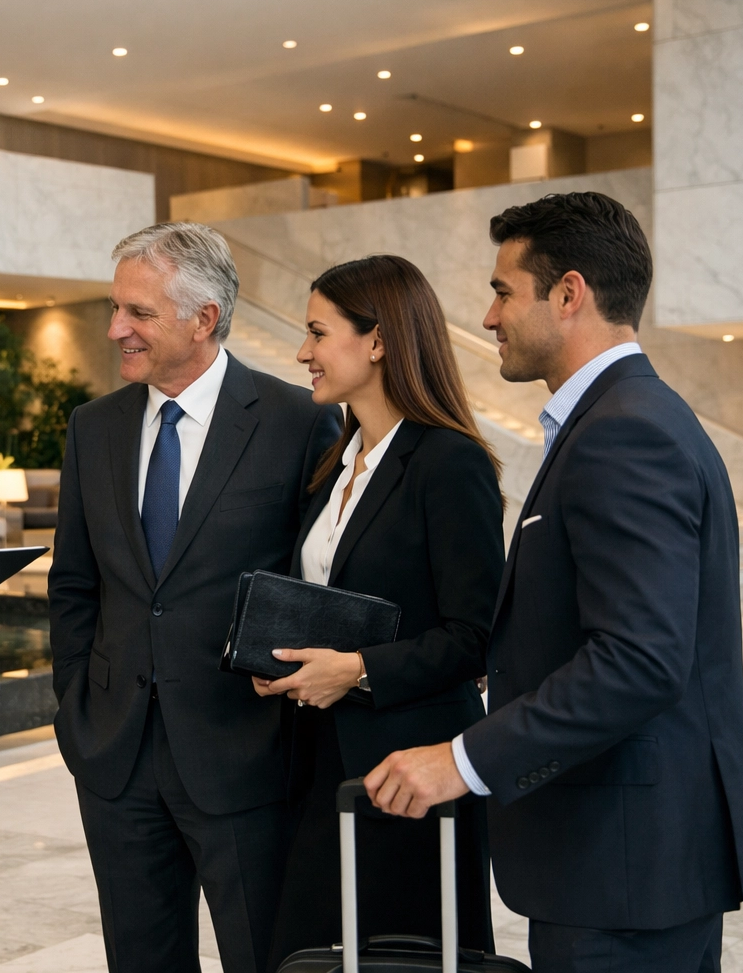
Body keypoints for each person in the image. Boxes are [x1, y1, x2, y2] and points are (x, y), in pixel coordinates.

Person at [363, 192, 743, 972]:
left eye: (501, 291)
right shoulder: (627, 417)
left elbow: (639, 659)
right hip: (630, 861)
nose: (488, 317)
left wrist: (462, 759)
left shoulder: (625, 433)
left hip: (621, 867)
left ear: (569, 293)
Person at [48, 221, 341, 973]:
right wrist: (78, 710)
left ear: (203, 319)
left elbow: (314, 584)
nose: (117, 330)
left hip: (244, 752)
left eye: (139, 314)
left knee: (267, 956)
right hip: (114, 757)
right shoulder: (94, 427)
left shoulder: (299, 421)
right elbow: (75, 584)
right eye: (118, 309)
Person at [253, 255, 503, 966]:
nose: (303, 351)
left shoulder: (449, 463)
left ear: (379, 340)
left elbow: (477, 636)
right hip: (316, 770)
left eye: (317, 332)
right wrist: (278, 662)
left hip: (410, 780)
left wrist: (357, 671)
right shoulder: (336, 461)